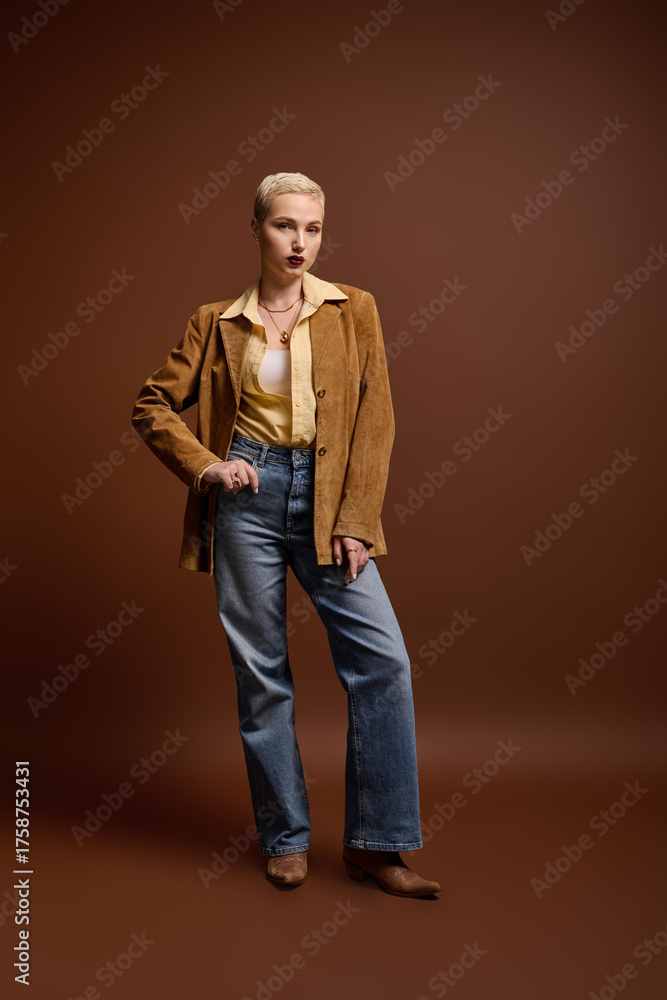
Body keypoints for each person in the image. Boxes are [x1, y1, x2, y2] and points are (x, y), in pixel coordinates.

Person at [131, 171, 441, 897]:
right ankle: (284, 839)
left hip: (328, 500)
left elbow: (376, 418)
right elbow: (152, 404)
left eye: (312, 228)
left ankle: (375, 845)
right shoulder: (215, 321)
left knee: (384, 664)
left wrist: (357, 520)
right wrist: (207, 466)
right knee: (261, 673)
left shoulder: (353, 309)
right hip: (248, 501)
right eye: (284, 225)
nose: (299, 242)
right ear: (256, 229)